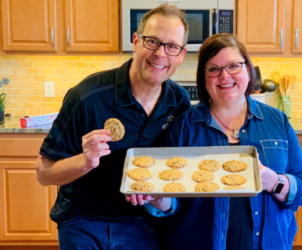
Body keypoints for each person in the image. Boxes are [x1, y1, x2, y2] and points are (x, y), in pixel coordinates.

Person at [35, 4, 191, 250]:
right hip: (84, 220)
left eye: (172, 46)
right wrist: (85, 161)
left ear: (181, 54)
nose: (161, 54)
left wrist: (156, 195)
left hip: (143, 221)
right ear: (136, 41)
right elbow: (44, 173)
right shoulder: (88, 97)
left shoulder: (178, 103)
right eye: (152, 41)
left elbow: (177, 171)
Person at [162, 33, 302, 250]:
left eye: (234, 65)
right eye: (213, 69)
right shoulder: (184, 126)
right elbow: (171, 202)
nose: (225, 76)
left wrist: (272, 180)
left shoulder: (276, 121)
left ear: (248, 70)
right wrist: (156, 199)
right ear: (203, 78)